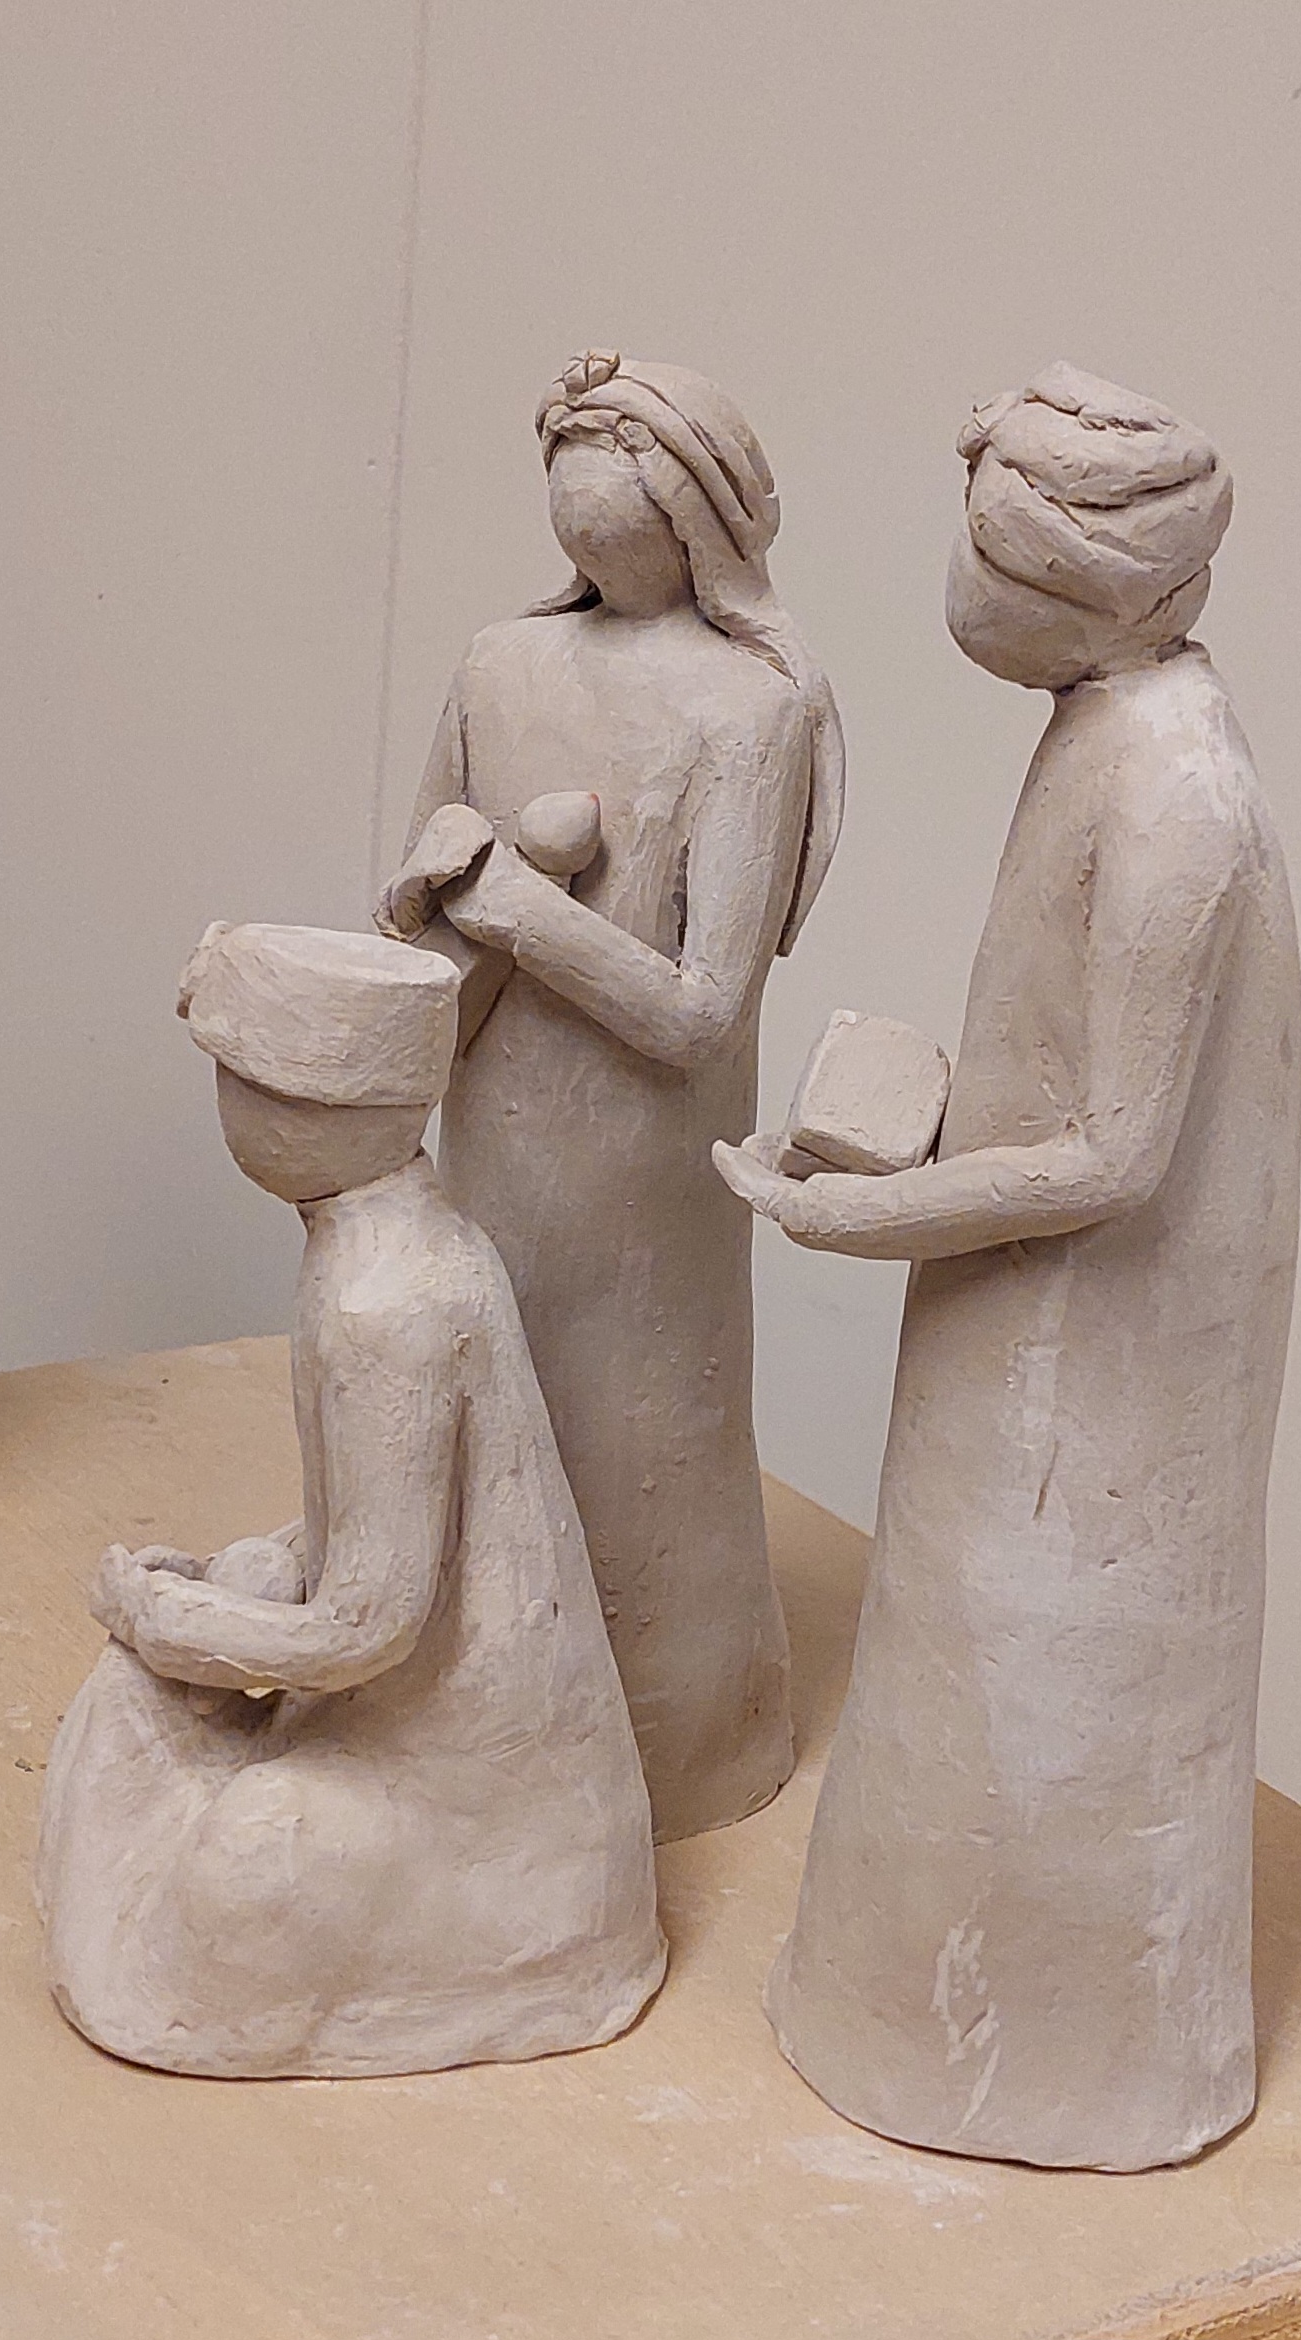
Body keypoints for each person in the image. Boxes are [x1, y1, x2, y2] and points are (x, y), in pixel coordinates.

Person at [717, 367, 1301, 2168]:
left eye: (988, 557)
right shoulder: (1102, 727)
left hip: (1103, 1356)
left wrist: (856, 1218)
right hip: (1026, 1315)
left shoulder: (1179, 800)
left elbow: (1115, 1159)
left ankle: (1061, 2059)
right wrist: (926, 1124)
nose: (959, 588)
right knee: (968, 1664)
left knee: (1053, 1683)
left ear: (1084, 588)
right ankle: (906, 2016)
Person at [36, 924, 665, 2078]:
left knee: (248, 1849)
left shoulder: (385, 1304)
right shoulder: (406, 1242)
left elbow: (370, 1626)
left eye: (238, 1084)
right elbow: (401, 1536)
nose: (227, 1111)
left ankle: (522, 1959)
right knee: (201, 1635)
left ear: (301, 1111)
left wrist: (163, 1618)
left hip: (481, 1800)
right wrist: (246, 1580)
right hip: (439, 1735)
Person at [374, 351, 842, 1838]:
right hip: (498, 1135)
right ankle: (491, 1731)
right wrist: (432, 896)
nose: (592, 491)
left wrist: (519, 907)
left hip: (645, 1175)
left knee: (642, 1437)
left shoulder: (747, 714)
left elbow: (700, 1014)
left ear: (703, 506)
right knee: (496, 1402)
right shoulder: (497, 666)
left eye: (628, 461)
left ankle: (674, 1747)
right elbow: (413, 928)